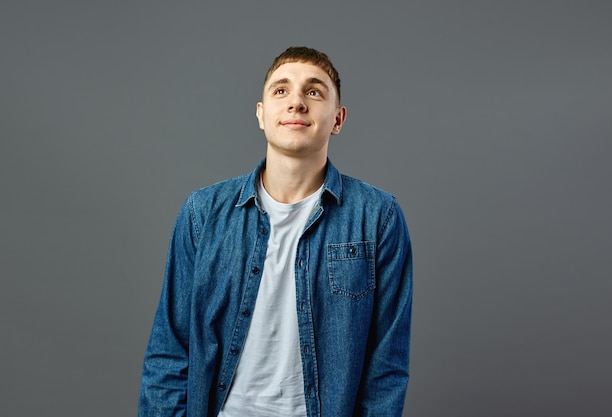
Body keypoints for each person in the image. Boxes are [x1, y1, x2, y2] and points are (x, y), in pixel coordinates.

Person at [138, 46, 413, 417]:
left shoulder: (378, 217)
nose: (297, 102)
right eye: (281, 90)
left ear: (338, 118)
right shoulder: (203, 213)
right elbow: (169, 351)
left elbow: (386, 370)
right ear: (261, 114)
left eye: (314, 92)